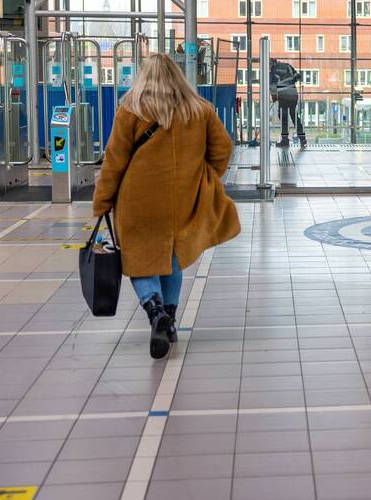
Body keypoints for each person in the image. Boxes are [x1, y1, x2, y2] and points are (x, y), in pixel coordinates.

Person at [92, 53, 240, 359]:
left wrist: (102, 201)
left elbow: (114, 161)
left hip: (138, 200)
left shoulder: (130, 109)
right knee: (172, 256)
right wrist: (206, 177)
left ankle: (154, 310)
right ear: (177, 77)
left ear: (144, 78)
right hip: (183, 198)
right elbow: (223, 148)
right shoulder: (200, 110)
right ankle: (169, 320)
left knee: (139, 259)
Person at [269, 58, 307, 147]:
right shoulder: (287, 66)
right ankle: (302, 139)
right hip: (293, 94)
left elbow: (272, 86)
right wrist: (289, 82)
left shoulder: (273, 71)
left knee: (283, 118)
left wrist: (274, 96)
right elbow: (298, 77)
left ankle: (285, 140)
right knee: (294, 117)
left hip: (283, 96)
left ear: (271, 64)